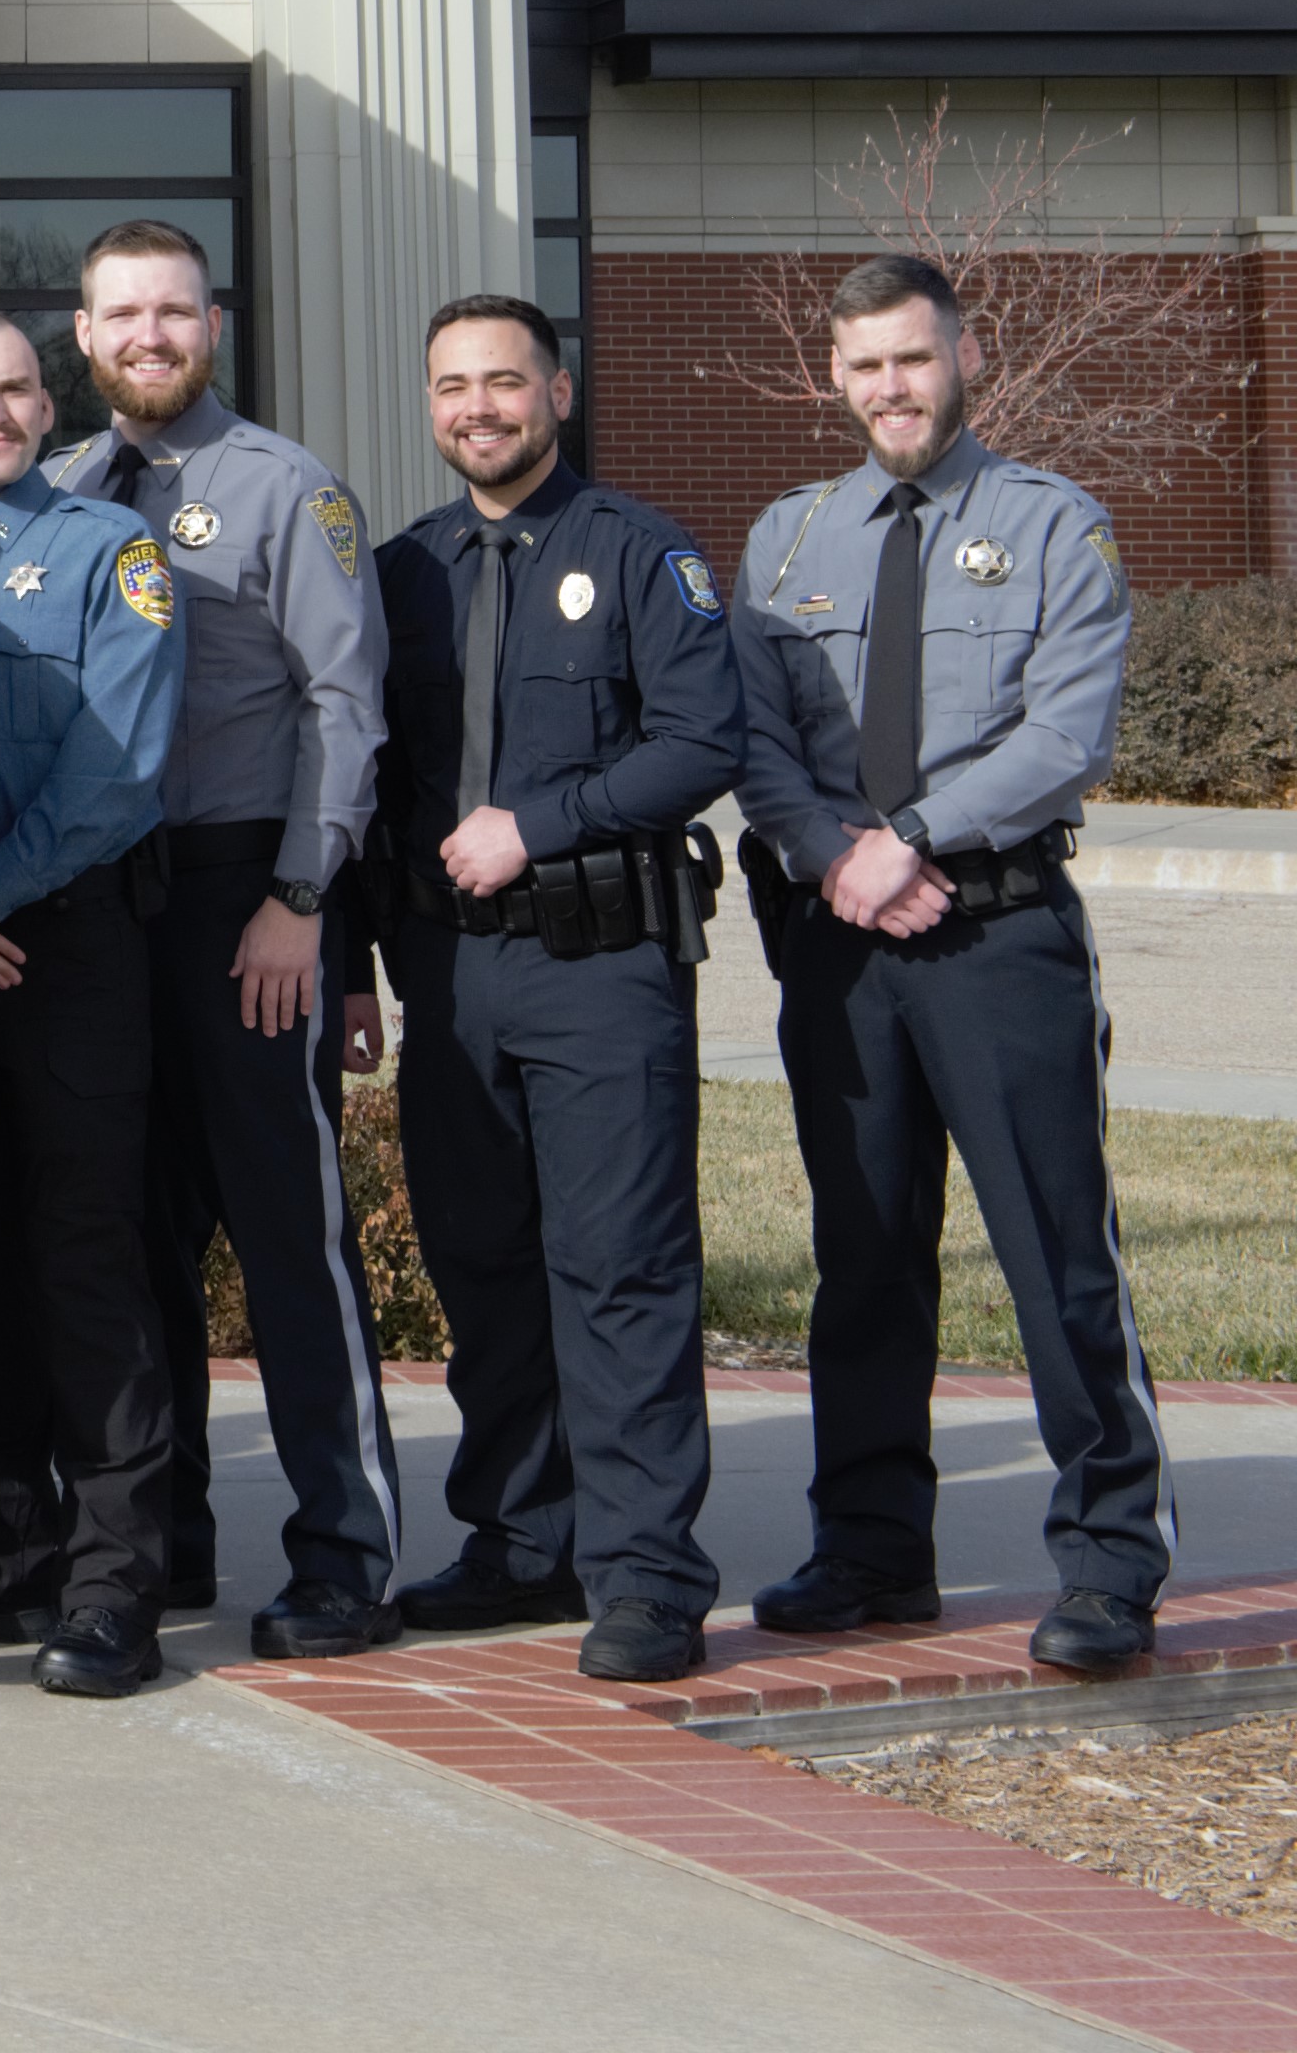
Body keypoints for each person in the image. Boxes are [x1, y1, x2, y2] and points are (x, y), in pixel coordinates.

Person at [731, 254, 1171, 1681]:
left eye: (911, 360)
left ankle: (1110, 1557)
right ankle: (872, 1548)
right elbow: (755, 745)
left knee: (1056, 1250)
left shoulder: (1054, 526)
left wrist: (904, 837)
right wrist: (830, 856)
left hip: (998, 934)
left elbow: (1067, 736)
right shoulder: (788, 543)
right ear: (835, 377)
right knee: (861, 1256)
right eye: (863, 366)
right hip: (841, 947)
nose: (889, 389)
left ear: (962, 356)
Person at [48, 219, 405, 1656]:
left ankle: (342, 1552)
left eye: (173, 312)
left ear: (214, 324)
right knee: (132, 1234)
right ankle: (167, 1536)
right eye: (122, 314)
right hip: (108, 910)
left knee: (285, 1232)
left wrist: (303, 900)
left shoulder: (288, 490)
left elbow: (346, 708)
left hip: (244, 897)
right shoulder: (66, 488)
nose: (149, 335)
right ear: (84, 335)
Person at [382, 295, 744, 1687]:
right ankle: (522, 1538)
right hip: (450, 976)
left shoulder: (643, 554)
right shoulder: (411, 568)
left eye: (505, 382)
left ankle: (648, 1576)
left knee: (622, 1270)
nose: (480, 406)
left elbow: (703, 739)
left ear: (560, 392)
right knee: (483, 1264)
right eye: (454, 386)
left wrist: (545, 822)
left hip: (601, 965)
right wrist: (362, 963)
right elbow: (380, 783)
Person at [0, 308, 183, 1696]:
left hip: (62, 952)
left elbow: (118, 774)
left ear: (44, 405)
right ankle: (0, 1542)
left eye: (13, 388)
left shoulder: (109, 557)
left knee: (86, 1263)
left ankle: (119, 1570)